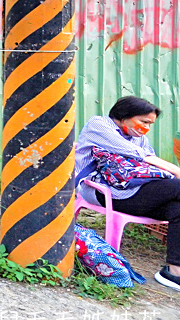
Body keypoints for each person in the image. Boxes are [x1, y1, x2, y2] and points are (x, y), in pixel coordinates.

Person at [75, 96, 180, 292]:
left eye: (150, 124)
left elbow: (148, 164)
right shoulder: (98, 125)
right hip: (103, 192)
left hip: (136, 190)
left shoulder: (140, 137)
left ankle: (174, 272)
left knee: (178, 209)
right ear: (124, 116)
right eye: (144, 121)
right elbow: (134, 152)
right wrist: (174, 169)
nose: (146, 128)